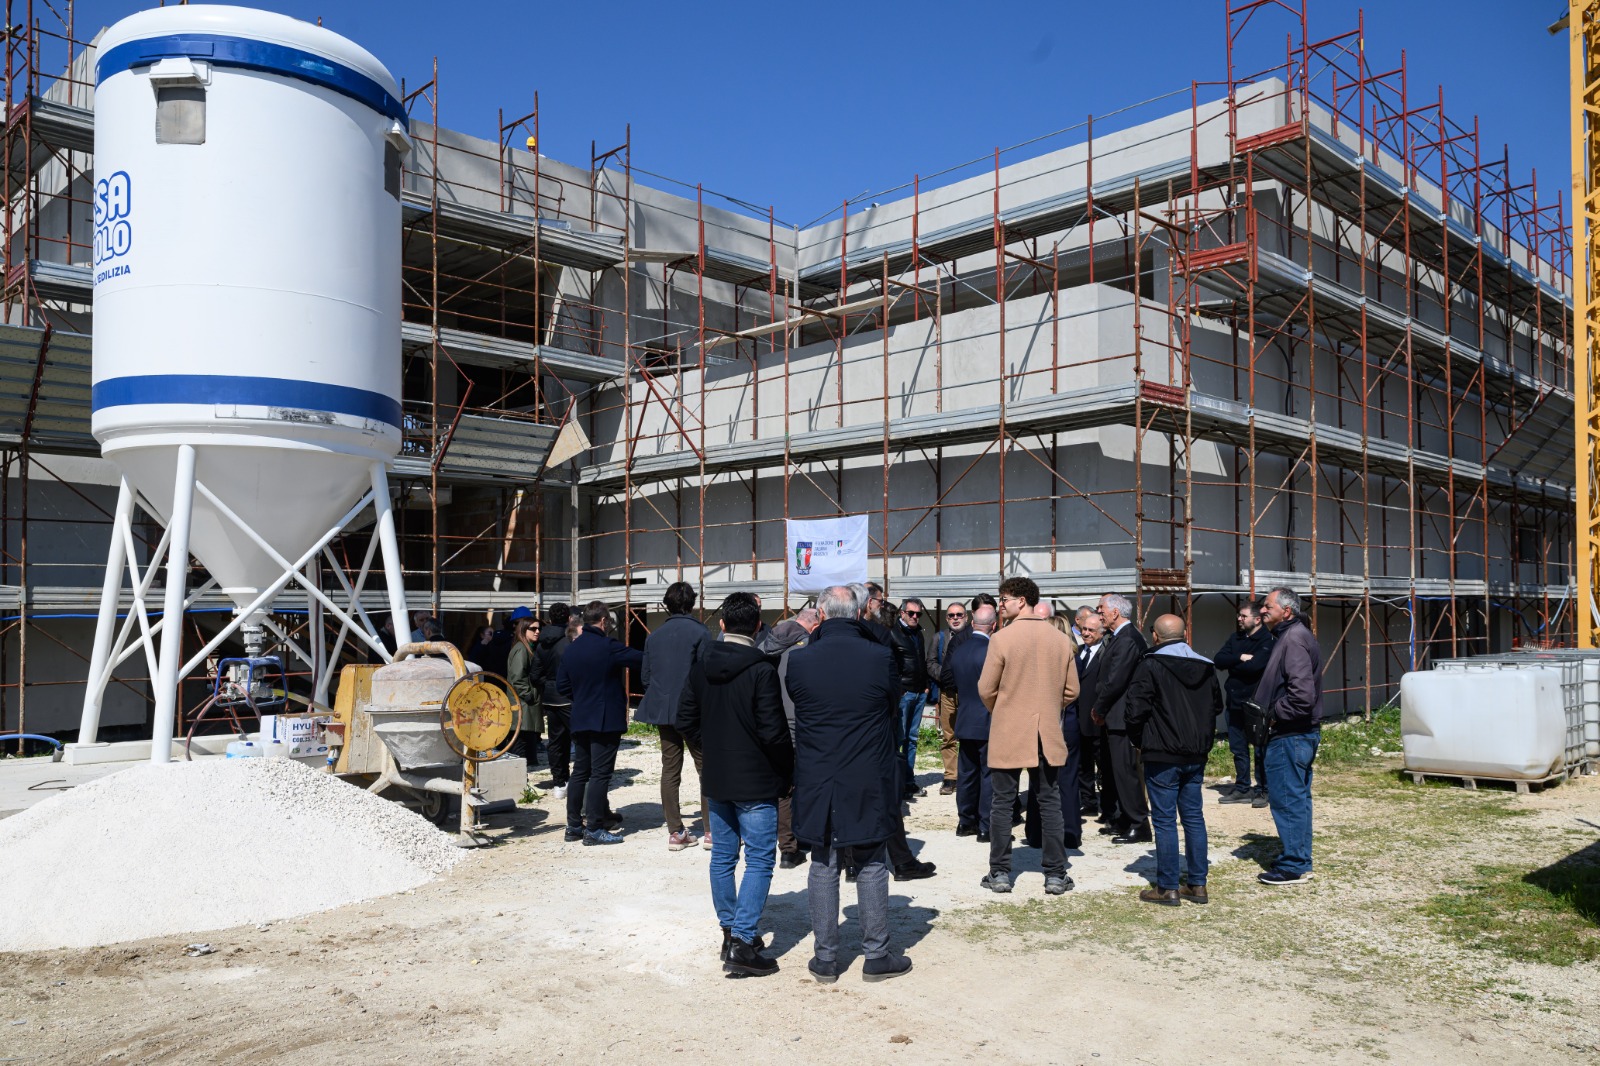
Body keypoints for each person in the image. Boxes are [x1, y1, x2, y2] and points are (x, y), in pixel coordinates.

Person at [783, 584, 913, 983]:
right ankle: (876, 954)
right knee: (872, 859)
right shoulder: (879, 656)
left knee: (824, 860)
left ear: (820, 615)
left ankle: (826, 959)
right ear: (859, 615)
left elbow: (799, 704)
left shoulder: (800, 661)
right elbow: (891, 704)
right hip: (866, 769)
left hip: (819, 771)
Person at [677, 591, 792, 977]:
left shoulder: (699, 665)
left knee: (723, 857)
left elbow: (685, 719)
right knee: (759, 857)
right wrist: (786, 770)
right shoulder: (762, 669)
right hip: (755, 778)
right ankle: (742, 939)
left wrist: (710, 748)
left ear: (721, 624)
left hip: (717, 775)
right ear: (758, 627)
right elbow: (774, 732)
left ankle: (730, 932)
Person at [977, 576, 1079, 896]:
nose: (1000, 604)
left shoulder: (1001, 639)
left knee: (1003, 802)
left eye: (1004, 599)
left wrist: (1005, 708)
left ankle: (1000, 872)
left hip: (1009, 729)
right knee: (1049, 801)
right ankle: (1055, 873)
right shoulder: (1061, 640)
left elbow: (986, 689)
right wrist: (1048, 706)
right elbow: (1072, 690)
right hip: (1047, 730)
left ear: (1022, 600)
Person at [1123, 614, 1223, 906]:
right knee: (1193, 817)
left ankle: (1168, 887)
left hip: (1162, 751)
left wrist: (1138, 739)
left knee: (1165, 819)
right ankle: (1197, 884)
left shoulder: (1150, 664)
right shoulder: (1206, 666)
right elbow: (1217, 705)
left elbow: (1135, 709)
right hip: (1195, 751)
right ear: (1184, 633)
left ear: (1155, 636)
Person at [554, 601, 644, 845]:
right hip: (605, 719)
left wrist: (582, 696)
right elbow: (639, 659)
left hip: (581, 717)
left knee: (580, 772)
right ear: (604, 621)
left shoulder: (571, 648)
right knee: (600, 774)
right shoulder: (608, 646)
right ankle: (594, 828)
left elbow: (562, 685)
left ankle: (573, 826)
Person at [1253, 588, 1323, 886]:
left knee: (1288, 799)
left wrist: (1272, 713)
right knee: (1297, 798)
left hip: (1290, 735)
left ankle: (1295, 865)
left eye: (1268, 606)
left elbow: (1301, 696)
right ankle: (1297, 856)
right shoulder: (1291, 635)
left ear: (1287, 611)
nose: (1262, 611)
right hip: (1296, 734)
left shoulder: (1293, 639)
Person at [636, 581, 711, 851]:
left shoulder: (653, 636)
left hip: (664, 709)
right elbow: (707, 674)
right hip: (693, 711)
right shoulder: (700, 632)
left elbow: (645, 677)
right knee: (706, 768)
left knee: (670, 769)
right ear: (691, 603)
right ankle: (712, 831)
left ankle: (675, 831)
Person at [1094, 592, 1151, 844]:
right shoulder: (1120, 637)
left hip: (1121, 716)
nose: (1099, 614)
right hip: (1115, 716)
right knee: (1118, 771)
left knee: (1126, 771)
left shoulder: (1128, 639)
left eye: (1101, 609)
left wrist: (1099, 708)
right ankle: (1126, 819)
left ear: (1115, 612)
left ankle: (1139, 824)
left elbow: (1115, 680)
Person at [1024, 612, 1083, 851]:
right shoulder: (1075, 657)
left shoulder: (1040, 659)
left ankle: (1036, 832)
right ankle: (1069, 832)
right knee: (1067, 780)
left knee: (1039, 778)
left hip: (1046, 721)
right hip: (1068, 722)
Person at [1213, 598, 1275, 808]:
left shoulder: (1267, 640)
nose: (1239, 619)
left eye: (1243, 616)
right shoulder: (1236, 638)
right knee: (1238, 748)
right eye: (1239, 615)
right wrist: (1239, 657)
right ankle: (1242, 788)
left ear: (1257, 620)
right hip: (1235, 701)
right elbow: (1218, 660)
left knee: (1259, 748)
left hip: (1256, 704)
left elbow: (1255, 667)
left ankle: (1263, 790)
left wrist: (1234, 662)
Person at [946, 604, 996, 841]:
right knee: (988, 774)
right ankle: (985, 825)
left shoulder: (959, 650)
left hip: (965, 717)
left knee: (966, 773)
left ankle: (965, 822)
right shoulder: (992, 650)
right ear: (994, 626)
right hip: (987, 719)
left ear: (973, 623)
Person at [888, 597, 930, 799]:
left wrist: (925, 687)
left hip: (920, 692)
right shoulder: (893, 633)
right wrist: (900, 690)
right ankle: (897, 781)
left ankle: (908, 780)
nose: (915, 617)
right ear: (902, 613)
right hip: (905, 693)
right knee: (900, 738)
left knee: (912, 739)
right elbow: (892, 664)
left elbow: (921, 661)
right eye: (911, 613)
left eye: (918, 614)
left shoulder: (918, 633)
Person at [1073, 608, 1112, 820]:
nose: (1086, 633)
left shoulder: (1107, 653)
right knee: (1082, 765)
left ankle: (1108, 807)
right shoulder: (1079, 652)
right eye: (1083, 629)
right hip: (1079, 720)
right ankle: (1087, 802)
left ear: (1102, 631)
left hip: (1099, 719)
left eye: (1091, 630)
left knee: (1104, 766)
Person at [927, 601, 966, 794]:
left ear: (966, 617)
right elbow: (931, 662)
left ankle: (967, 776)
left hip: (969, 694)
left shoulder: (972, 637)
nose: (956, 618)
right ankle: (951, 777)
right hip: (947, 693)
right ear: (947, 618)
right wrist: (945, 675)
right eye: (952, 615)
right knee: (948, 736)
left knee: (969, 736)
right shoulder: (939, 637)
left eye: (959, 615)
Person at [538, 604, 574, 798]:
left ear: (549, 619)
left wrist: (550, 684)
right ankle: (579, 782)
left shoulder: (542, 642)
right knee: (580, 738)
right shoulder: (570, 641)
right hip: (568, 697)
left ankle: (560, 783)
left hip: (550, 698)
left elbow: (535, 675)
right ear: (568, 618)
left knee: (556, 741)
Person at [505, 616, 545, 766]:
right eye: (533, 628)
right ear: (523, 629)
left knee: (527, 744)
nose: (537, 631)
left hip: (526, 704)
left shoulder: (526, 647)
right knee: (520, 746)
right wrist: (529, 695)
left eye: (539, 628)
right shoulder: (521, 649)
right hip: (522, 704)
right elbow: (517, 677)